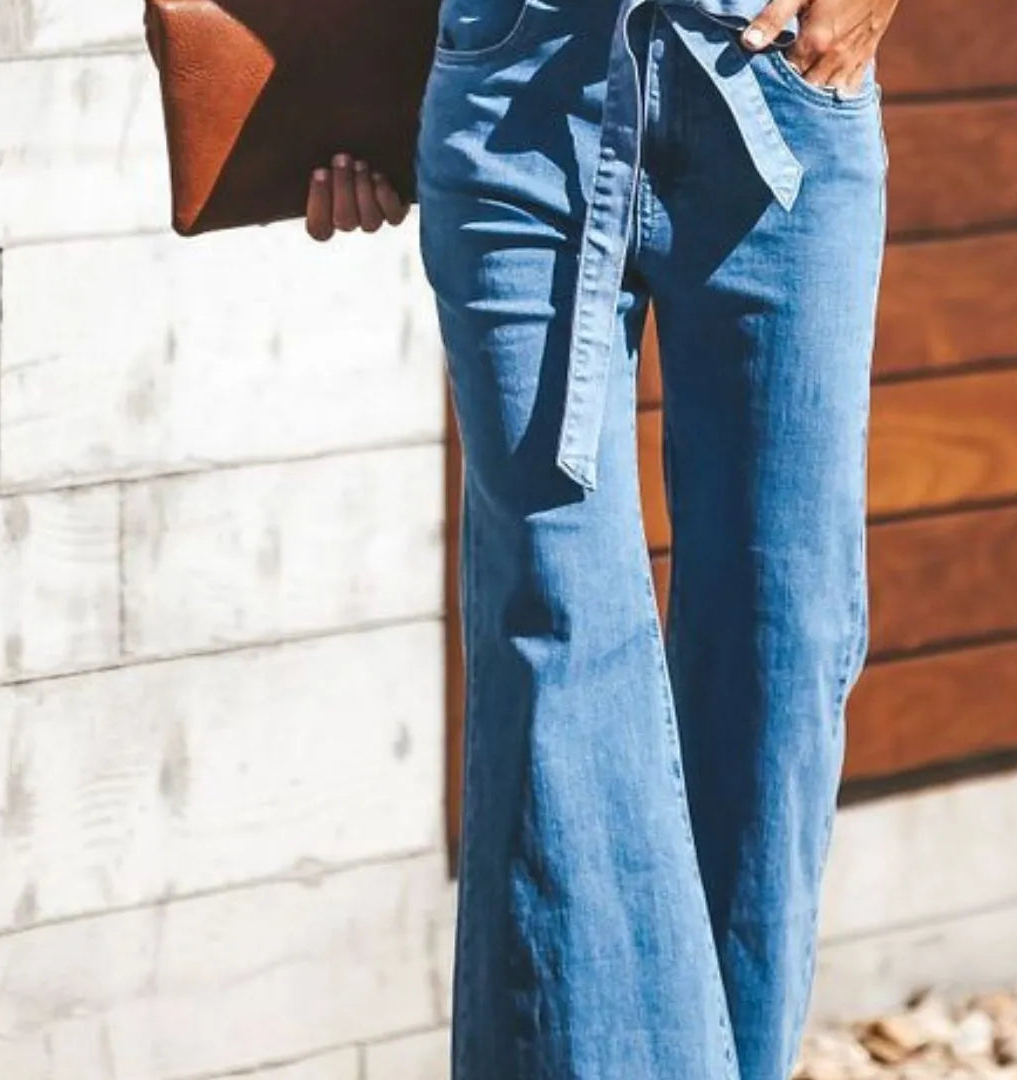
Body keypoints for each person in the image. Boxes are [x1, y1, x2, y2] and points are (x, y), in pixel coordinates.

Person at [309, 0, 896, 1072]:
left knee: (787, 636)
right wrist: (349, 86)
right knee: (558, 629)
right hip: (515, 86)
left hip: (774, 77)